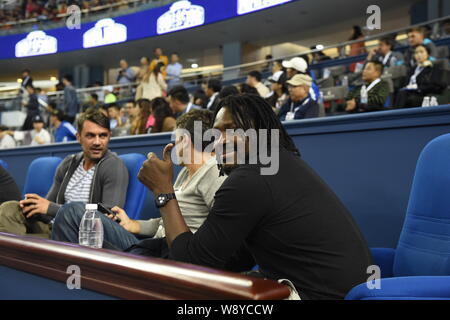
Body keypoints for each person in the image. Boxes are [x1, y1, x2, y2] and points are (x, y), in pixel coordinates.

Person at [125, 94, 373, 300]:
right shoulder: (276, 164)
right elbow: (235, 256)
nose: (219, 142)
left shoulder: (250, 178)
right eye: (215, 134)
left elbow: (191, 264)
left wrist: (163, 191)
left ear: (258, 131)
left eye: (230, 129)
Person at [51, 109, 226, 254]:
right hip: (153, 247)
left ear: (184, 140)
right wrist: (132, 224)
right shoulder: (185, 173)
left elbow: (222, 233)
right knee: (72, 213)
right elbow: (166, 221)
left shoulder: (213, 171)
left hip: (169, 256)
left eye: (176, 139)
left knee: (72, 211)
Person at [0, 109, 129, 238]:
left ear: (109, 136)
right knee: (9, 209)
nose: (97, 142)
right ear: (79, 137)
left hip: (79, 236)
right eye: (90, 135)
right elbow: (48, 205)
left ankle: (14, 253)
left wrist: (53, 209)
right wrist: (33, 207)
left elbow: (108, 215)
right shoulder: (69, 163)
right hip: (54, 227)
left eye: (102, 135)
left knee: (20, 241)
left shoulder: (114, 165)